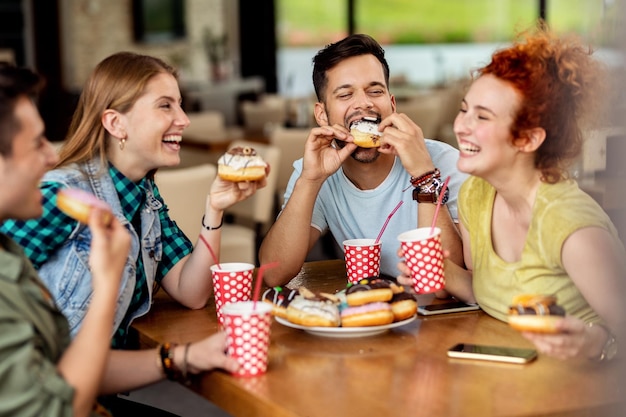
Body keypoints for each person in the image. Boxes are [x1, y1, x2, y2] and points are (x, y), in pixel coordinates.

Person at [0, 52, 248, 414]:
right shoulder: (59, 199)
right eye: (165, 106)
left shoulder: (144, 197)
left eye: (180, 105)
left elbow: (193, 293)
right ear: (116, 124)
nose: (183, 119)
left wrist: (215, 207)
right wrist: (107, 278)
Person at [398, 24, 626, 362]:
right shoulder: (478, 193)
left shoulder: (572, 227)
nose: (461, 126)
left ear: (528, 139)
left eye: (482, 117)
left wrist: (597, 343)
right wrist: (441, 272)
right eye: (464, 109)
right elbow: (485, 289)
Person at [259, 34, 467, 289]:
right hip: (369, 310)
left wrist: (425, 176)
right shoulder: (314, 171)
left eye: (375, 91)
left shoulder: (444, 163)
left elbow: (454, 276)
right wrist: (310, 181)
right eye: (345, 94)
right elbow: (273, 274)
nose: (364, 103)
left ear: (391, 104)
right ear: (322, 115)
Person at [0, 62, 130, 416]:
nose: (52, 156)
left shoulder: (7, 251)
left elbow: (56, 368)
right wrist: (107, 283)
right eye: (37, 142)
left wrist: (179, 358)